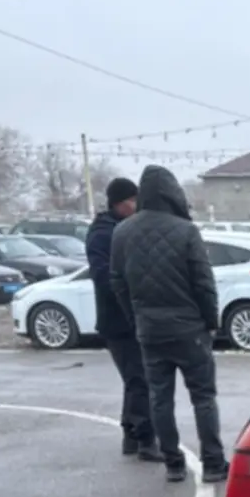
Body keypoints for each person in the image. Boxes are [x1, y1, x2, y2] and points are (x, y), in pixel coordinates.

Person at [109, 165, 229, 484]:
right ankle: (213, 462)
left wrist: (136, 317)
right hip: (190, 329)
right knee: (203, 397)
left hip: (149, 330)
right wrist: (211, 321)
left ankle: (173, 463)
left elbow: (117, 282)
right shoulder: (186, 231)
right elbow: (203, 283)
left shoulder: (122, 233)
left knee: (160, 398)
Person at [85, 177, 163, 462]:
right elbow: (104, 276)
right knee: (140, 380)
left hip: (131, 317)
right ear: (119, 203)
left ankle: (131, 435)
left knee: (135, 380)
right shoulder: (103, 234)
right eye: (132, 200)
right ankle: (145, 440)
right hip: (118, 321)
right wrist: (132, 287)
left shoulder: (123, 228)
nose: (137, 205)